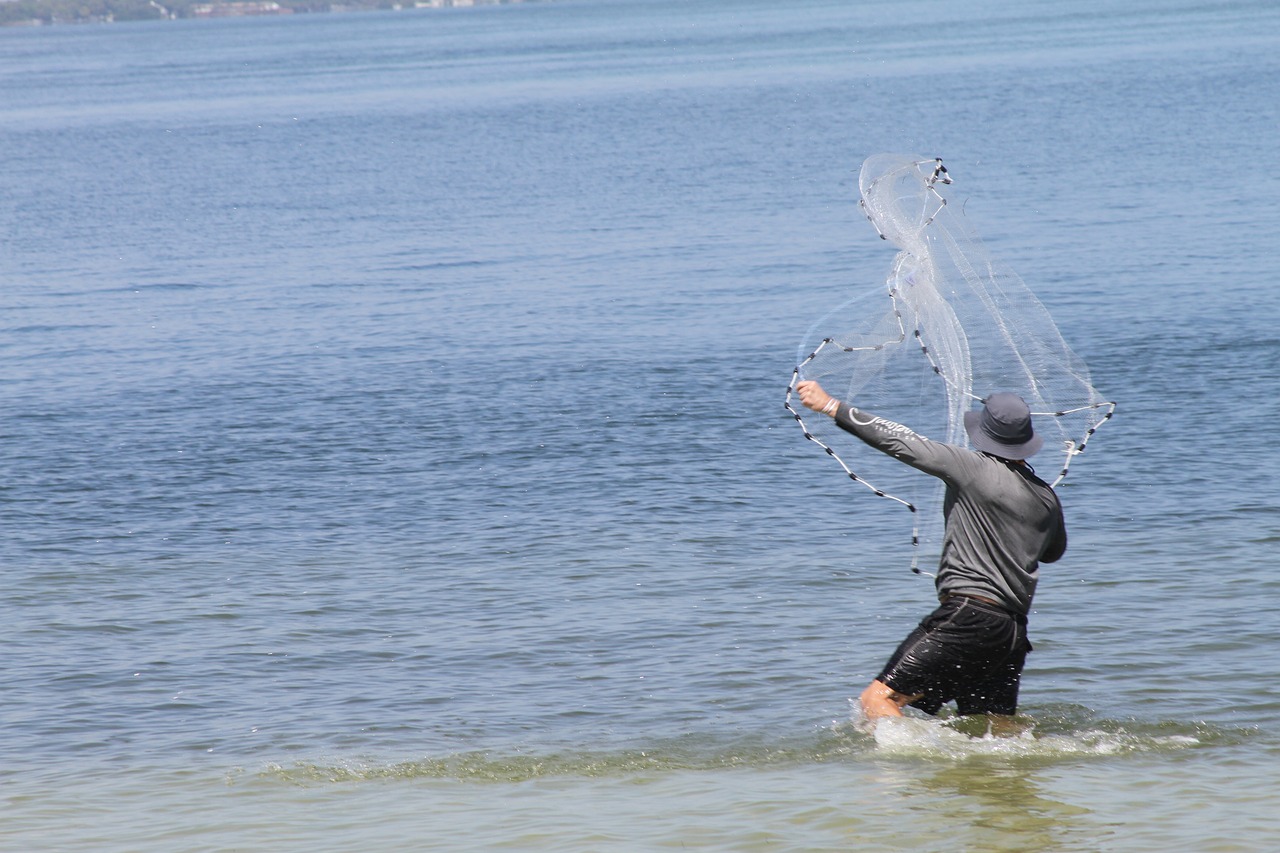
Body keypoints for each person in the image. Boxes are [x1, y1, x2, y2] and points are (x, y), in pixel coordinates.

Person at [795, 380, 1067, 724]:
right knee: (994, 730)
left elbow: (903, 441)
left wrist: (831, 406)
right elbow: (1053, 552)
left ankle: (905, 770)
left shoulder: (972, 467)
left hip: (968, 617)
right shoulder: (1046, 497)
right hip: (1011, 634)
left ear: (984, 435)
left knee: (877, 700)